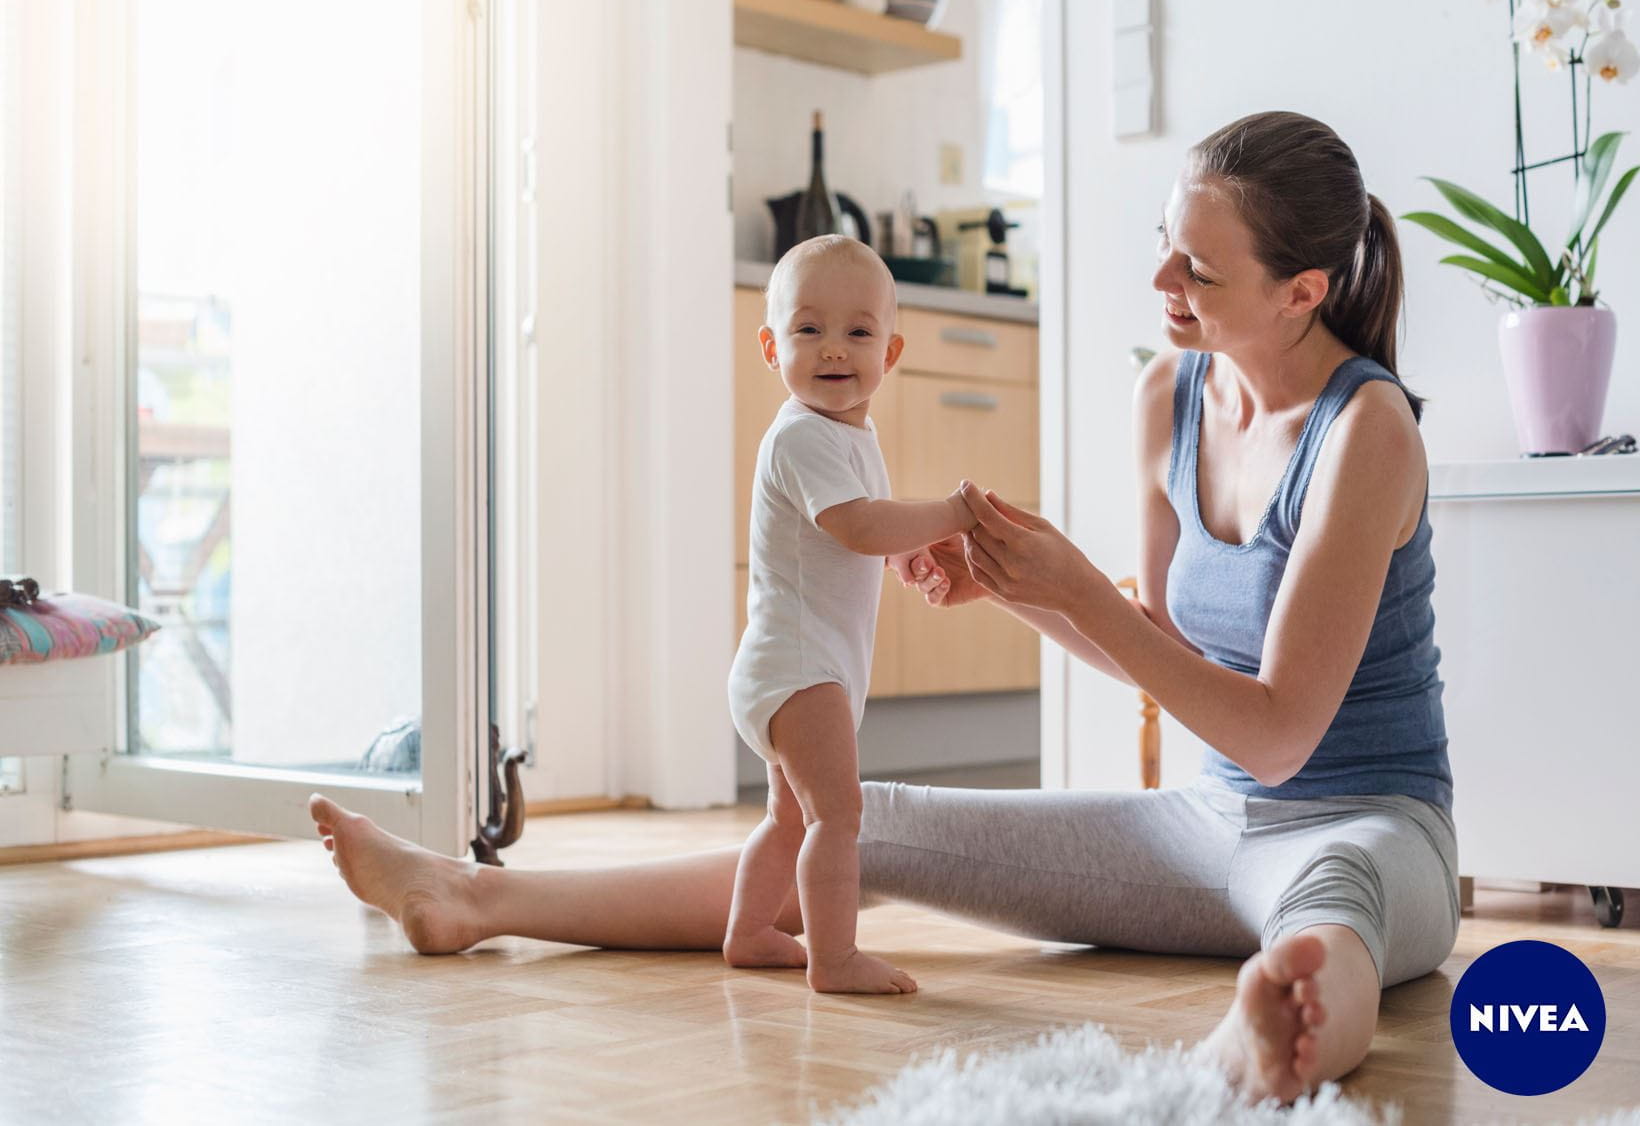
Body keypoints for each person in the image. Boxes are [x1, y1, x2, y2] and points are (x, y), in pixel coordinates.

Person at [309, 111, 1457, 1105]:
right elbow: (1161, 655)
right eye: (1164, 246)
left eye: (1197, 273)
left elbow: (1276, 731)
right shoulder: (1168, 392)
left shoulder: (1366, 433)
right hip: (1204, 829)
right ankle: (471, 898)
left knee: (1329, 905)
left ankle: (1263, 1043)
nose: (1161, 285)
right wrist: (1016, 588)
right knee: (846, 812)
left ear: (1301, 291)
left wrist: (1066, 586)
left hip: (1367, 823)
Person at [723, 235, 974, 994]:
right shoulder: (801, 434)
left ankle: (748, 931)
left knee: (790, 819)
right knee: (839, 814)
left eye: (858, 332)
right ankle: (833, 959)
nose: (834, 350)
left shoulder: (851, 436)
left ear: (890, 352)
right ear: (772, 347)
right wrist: (951, 515)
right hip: (800, 671)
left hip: (793, 664)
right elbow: (859, 525)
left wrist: (908, 554)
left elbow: (867, 529)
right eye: (808, 330)